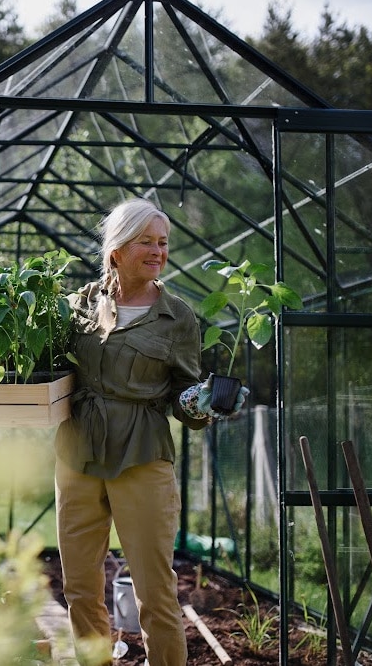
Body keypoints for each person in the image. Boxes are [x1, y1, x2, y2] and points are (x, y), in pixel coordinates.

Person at [53, 197, 247, 666]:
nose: (158, 251)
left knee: (155, 592)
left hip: (141, 456)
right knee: (79, 588)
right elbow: (53, 371)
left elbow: (182, 395)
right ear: (117, 249)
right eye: (146, 242)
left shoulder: (177, 316)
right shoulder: (80, 304)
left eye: (163, 243)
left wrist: (201, 403)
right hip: (77, 453)